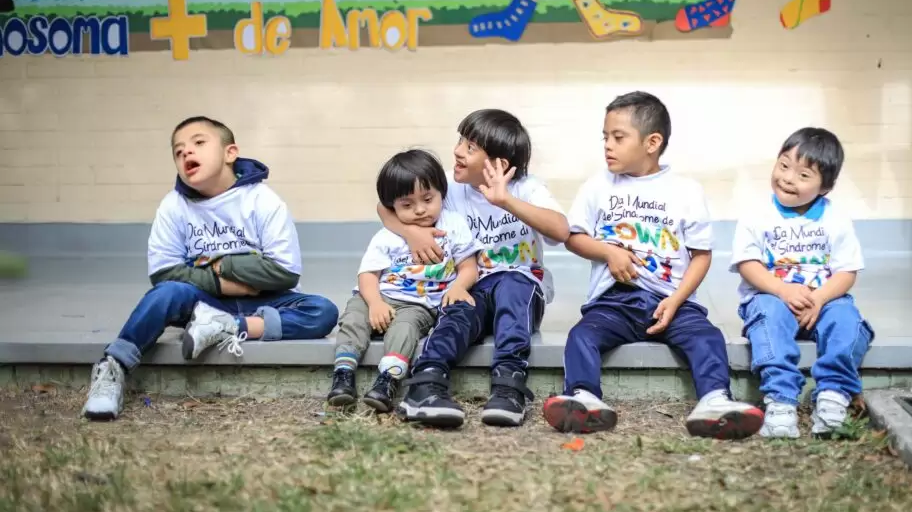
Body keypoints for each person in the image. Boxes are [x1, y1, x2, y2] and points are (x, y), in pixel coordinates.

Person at [81, 116, 338, 421]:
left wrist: (215, 264)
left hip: (265, 301)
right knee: (166, 293)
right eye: (178, 152)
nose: (187, 153)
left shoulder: (262, 200)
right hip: (203, 304)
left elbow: (283, 272)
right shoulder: (173, 206)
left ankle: (231, 327)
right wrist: (228, 282)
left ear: (231, 153)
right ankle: (114, 367)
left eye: (199, 143)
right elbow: (164, 273)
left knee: (323, 311)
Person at [544, 92, 763, 438]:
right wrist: (608, 253)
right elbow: (574, 237)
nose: (608, 146)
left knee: (707, 337)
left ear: (652, 142)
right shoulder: (598, 185)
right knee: (582, 336)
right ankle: (584, 396)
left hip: (670, 302)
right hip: (614, 301)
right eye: (605, 137)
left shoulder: (685, 191)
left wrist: (676, 301)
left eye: (618, 137)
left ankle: (715, 400)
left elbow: (701, 255)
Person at [379, 109, 569, 428]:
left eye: (470, 148)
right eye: (460, 140)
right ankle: (426, 383)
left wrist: (505, 200)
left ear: (500, 165)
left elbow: (560, 230)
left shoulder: (527, 188)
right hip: (471, 286)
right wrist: (411, 232)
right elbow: (384, 207)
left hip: (521, 291)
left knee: (512, 283)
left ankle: (508, 386)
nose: (457, 151)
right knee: (457, 308)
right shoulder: (452, 191)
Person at [730, 127, 873, 438]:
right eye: (783, 165)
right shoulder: (757, 215)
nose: (788, 178)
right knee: (767, 314)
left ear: (825, 187)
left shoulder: (835, 219)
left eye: (803, 175)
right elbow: (747, 264)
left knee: (846, 318)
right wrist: (782, 290)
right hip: (771, 296)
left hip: (821, 300)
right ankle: (780, 401)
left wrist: (820, 298)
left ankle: (833, 394)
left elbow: (846, 272)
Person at [327, 149, 481, 413]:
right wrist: (374, 303)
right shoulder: (388, 234)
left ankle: (387, 381)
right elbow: (367, 275)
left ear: (441, 192)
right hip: (379, 294)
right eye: (407, 205)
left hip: (418, 303)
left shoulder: (453, 224)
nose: (420, 210)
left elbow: (469, 267)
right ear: (392, 207)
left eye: (428, 199)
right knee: (353, 319)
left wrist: (457, 286)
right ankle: (343, 375)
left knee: (405, 329)